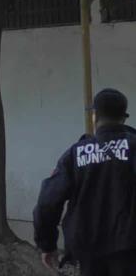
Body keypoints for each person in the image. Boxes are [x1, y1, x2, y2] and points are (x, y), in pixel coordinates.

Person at [33, 88, 136, 275]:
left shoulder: (75, 153)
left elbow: (47, 202)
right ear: (124, 117)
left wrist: (47, 244)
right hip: (129, 249)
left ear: (94, 116)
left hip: (88, 250)